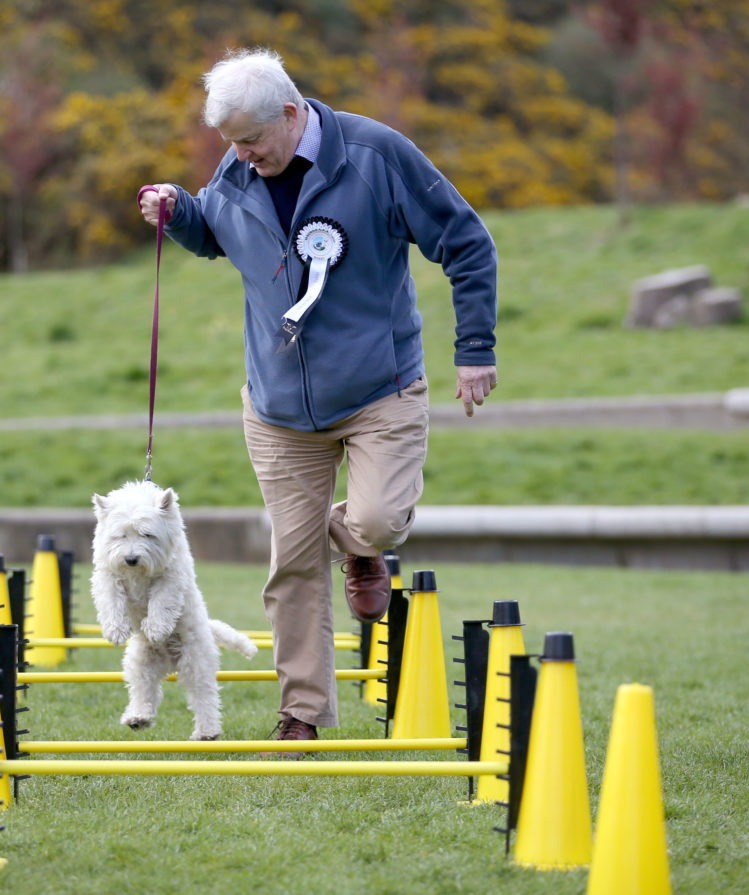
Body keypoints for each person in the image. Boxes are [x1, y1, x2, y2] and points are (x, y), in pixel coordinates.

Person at [137, 48, 498, 751]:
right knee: (293, 564)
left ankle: (361, 545)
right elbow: (216, 231)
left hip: (378, 390)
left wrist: (476, 348)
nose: (242, 155)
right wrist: (178, 210)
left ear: (293, 113)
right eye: (231, 144)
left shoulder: (375, 155)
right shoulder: (240, 167)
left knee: (380, 518)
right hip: (277, 408)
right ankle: (301, 712)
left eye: (252, 140)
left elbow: (466, 240)